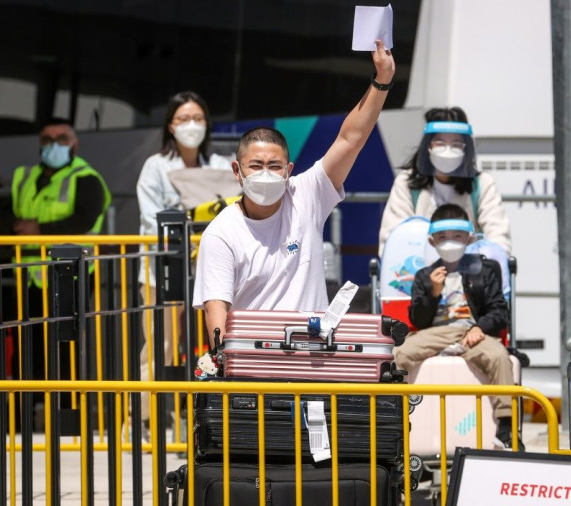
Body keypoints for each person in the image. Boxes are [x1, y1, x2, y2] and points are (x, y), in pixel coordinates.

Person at [193, 39, 396, 346]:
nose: (265, 173)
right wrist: (224, 362)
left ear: (288, 171)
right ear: (238, 172)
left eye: (274, 166)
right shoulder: (220, 233)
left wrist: (382, 81)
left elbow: (351, 138)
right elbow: (216, 309)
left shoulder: (308, 194)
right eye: (255, 165)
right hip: (255, 365)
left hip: (315, 359)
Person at [136, 91, 234, 425]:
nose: (191, 126)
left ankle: (218, 417)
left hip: (212, 270)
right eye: (183, 119)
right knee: (159, 347)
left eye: (197, 118)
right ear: (170, 125)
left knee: (218, 342)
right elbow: (151, 219)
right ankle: (146, 421)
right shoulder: (155, 167)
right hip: (163, 271)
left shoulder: (222, 166)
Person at [392, 203, 523, 450]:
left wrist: (480, 327)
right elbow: (418, 320)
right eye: (442, 237)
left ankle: (506, 428)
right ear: (432, 242)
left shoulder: (486, 269)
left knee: (498, 357)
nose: (450, 242)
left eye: (457, 236)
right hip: (435, 332)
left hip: (472, 331)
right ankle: (392, 420)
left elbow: (499, 311)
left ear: (470, 238)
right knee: (398, 355)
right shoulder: (424, 275)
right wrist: (433, 292)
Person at [378, 107, 511, 257]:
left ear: (466, 148)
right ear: (428, 145)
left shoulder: (482, 184)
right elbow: (393, 237)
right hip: (420, 271)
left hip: (469, 272)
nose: (448, 150)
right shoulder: (407, 183)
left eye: (456, 144)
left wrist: (491, 263)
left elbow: (498, 234)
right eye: (440, 143)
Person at [11, 118, 111, 288]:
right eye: (47, 140)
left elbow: (85, 220)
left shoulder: (86, 178)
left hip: (71, 274)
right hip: (28, 276)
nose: (54, 145)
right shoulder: (24, 176)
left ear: (74, 144)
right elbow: (6, 212)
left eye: (62, 139)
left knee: (68, 316)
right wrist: (14, 225)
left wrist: (39, 229)